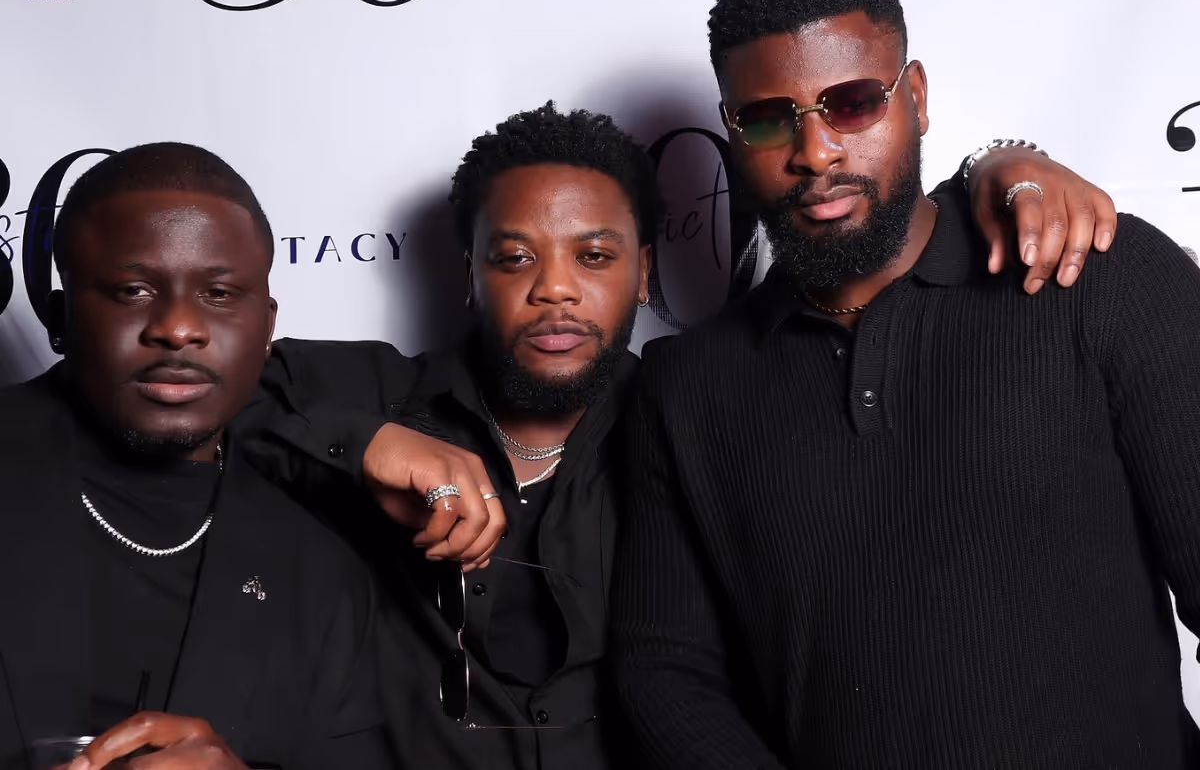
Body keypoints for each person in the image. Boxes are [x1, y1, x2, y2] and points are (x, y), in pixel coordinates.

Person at [232, 100, 1116, 770]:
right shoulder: (377, 390)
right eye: (513, 258)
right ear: (466, 273)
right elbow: (176, 390)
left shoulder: (704, 416)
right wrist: (371, 443)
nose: (555, 291)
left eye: (595, 255)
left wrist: (1005, 163)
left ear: (644, 270)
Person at [608, 0, 1200, 770]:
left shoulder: (1097, 278)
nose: (814, 153)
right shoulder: (688, 389)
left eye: (851, 103)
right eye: (770, 119)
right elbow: (667, 674)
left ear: (914, 98)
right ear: (732, 134)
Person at [0, 144, 397, 770]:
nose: (179, 327)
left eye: (218, 293)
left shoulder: (324, 575)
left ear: (266, 329)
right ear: (59, 316)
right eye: (132, 290)